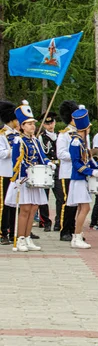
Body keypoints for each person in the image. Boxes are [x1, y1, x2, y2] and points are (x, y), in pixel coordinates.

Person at [5, 101, 55, 252]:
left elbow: (41, 156)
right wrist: (24, 174)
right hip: (24, 179)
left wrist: (48, 163)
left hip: (36, 180)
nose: (32, 126)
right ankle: (20, 238)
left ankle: (27, 238)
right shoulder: (18, 141)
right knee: (25, 210)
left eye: (33, 123)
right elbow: (16, 162)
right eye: (28, 124)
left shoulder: (35, 140)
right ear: (21, 126)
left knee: (34, 209)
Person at [65, 106, 98, 249]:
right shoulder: (75, 142)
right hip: (78, 179)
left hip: (82, 179)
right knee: (85, 208)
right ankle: (77, 236)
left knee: (83, 208)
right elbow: (76, 163)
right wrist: (90, 172)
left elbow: (87, 159)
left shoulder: (81, 141)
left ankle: (77, 236)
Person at [56, 100, 80, 241]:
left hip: (78, 172)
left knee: (76, 202)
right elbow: (61, 154)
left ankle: (73, 228)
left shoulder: (81, 133)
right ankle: (64, 230)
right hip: (67, 172)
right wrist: (75, 157)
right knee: (66, 202)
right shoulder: (64, 134)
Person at [36, 111, 60, 231]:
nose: (50, 125)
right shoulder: (40, 137)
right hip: (45, 169)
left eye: (52, 122)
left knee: (60, 196)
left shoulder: (60, 136)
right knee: (43, 197)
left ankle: (58, 221)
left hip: (57, 169)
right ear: (43, 124)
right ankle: (45, 221)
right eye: (47, 123)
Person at [0, 101, 19, 245]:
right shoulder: (2, 134)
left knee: (14, 204)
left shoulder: (18, 134)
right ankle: (2, 232)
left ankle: (14, 231)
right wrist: (15, 151)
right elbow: (1, 153)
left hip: (16, 173)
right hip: (4, 173)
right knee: (3, 205)